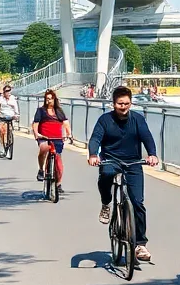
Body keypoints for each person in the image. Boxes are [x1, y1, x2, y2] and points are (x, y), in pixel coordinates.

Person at [88, 86, 159, 262]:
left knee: (138, 203)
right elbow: (95, 138)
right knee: (106, 174)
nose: (124, 107)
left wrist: (152, 154)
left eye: (127, 103)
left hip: (133, 162)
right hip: (111, 160)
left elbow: (147, 137)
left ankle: (140, 244)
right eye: (120, 104)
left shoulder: (138, 119)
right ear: (114, 104)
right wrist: (93, 155)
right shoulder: (105, 120)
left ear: (131, 103)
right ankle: (106, 203)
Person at [33, 89, 71, 189]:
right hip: (44, 137)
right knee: (44, 148)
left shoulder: (59, 111)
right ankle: (41, 169)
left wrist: (69, 134)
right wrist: (36, 134)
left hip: (57, 138)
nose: (48, 101)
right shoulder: (41, 111)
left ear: (54, 100)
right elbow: (36, 123)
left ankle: (58, 184)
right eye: (47, 99)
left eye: (50, 99)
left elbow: (66, 123)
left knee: (58, 161)